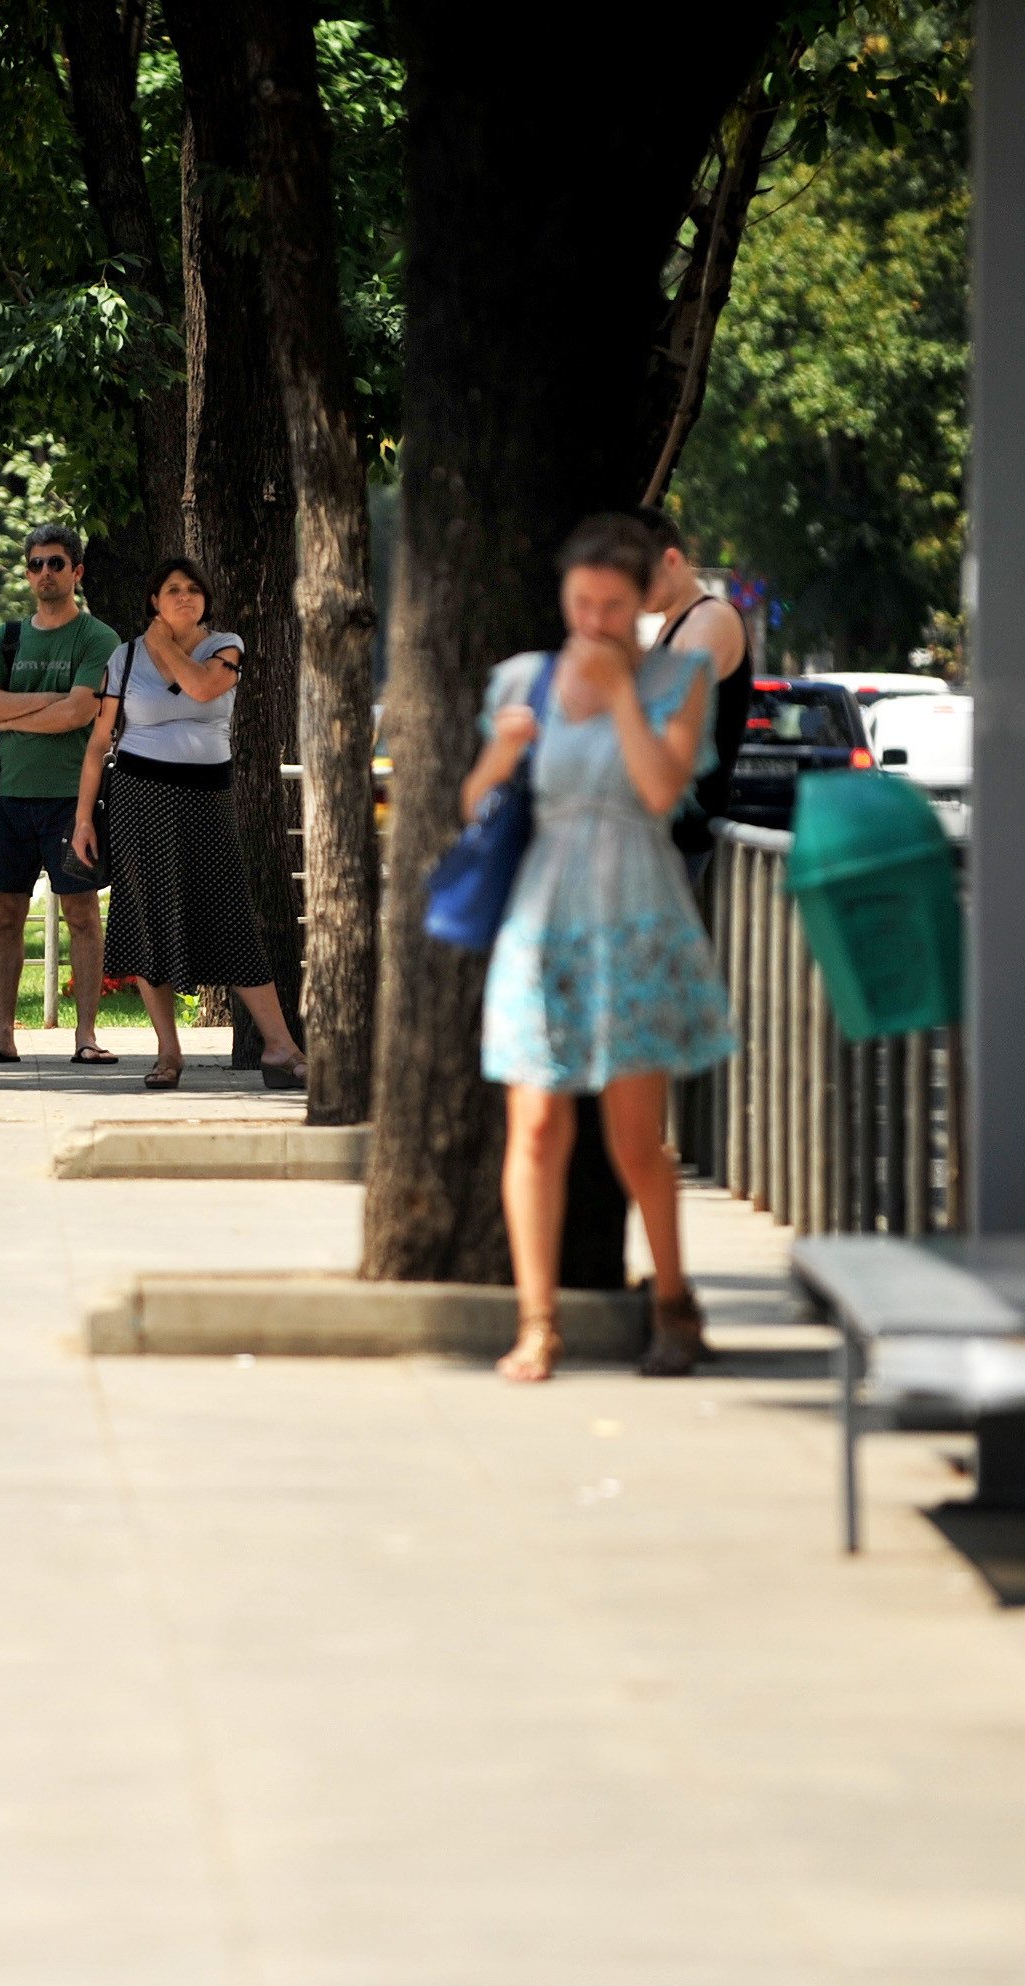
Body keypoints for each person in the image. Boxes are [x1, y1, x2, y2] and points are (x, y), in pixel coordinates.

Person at [461, 513, 737, 1382]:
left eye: (613, 607)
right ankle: (537, 1323)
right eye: (581, 603)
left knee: (631, 1137)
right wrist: (500, 758)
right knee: (535, 1122)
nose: (594, 622)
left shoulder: (681, 678)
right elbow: (474, 806)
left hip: (635, 910)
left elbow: (662, 792)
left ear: (644, 602)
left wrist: (622, 694)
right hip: (543, 913)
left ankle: (673, 1302)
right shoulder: (524, 679)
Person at [68, 556, 307, 1090]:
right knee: (150, 920)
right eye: (171, 590)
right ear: (154, 600)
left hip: (207, 799)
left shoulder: (226, 645)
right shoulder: (125, 657)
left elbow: (200, 689)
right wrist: (84, 818)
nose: (183, 597)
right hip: (139, 798)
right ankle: (168, 1053)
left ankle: (279, 1046)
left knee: (232, 919)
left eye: (193, 589)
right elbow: (99, 744)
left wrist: (162, 644)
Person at [0, 524, 119, 1066]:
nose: (45, 572)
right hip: (11, 801)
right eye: (36, 564)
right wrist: (49, 703)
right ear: (27, 573)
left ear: (77, 572)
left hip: (73, 802)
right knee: (5, 915)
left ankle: (86, 1036)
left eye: (56, 563)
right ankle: (2, 1035)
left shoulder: (97, 639)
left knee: (82, 915)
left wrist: (16, 708)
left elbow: (81, 711)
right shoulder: (5, 637)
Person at [633, 505, 752, 871]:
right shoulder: (672, 626)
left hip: (679, 835)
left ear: (670, 560)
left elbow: (662, 712)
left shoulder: (710, 620)